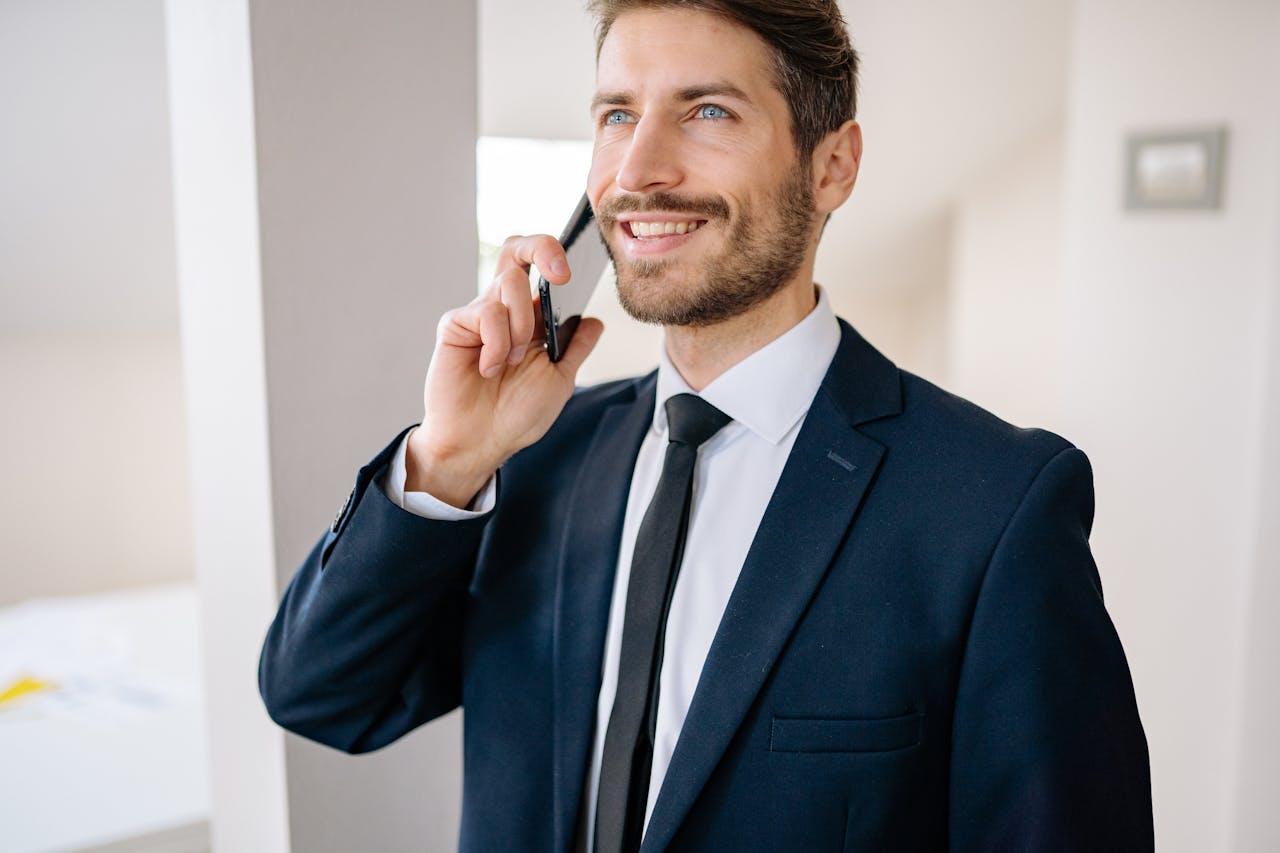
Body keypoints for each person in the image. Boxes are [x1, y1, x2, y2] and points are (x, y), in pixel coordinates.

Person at [259, 1, 1153, 850]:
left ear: (832, 165)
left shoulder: (993, 507)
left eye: (709, 112)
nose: (637, 169)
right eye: (616, 115)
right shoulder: (531, 459)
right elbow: (323, 696)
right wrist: (450, 456)